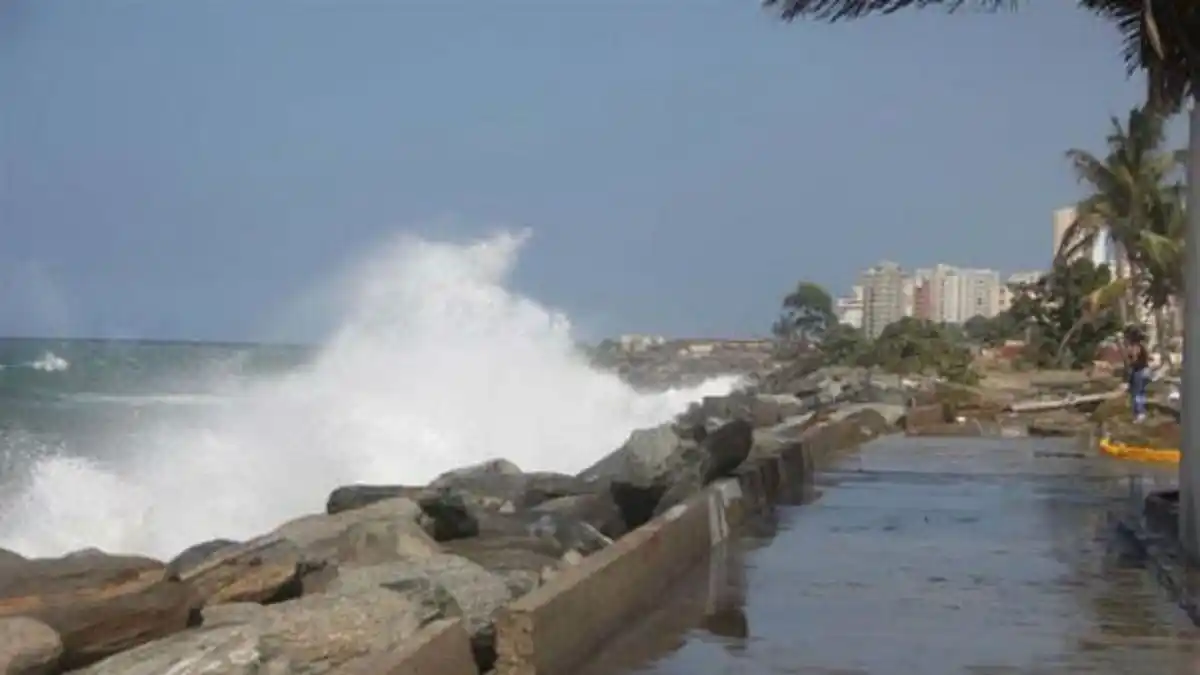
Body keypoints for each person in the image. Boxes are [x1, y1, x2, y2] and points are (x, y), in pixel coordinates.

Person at [1124, 325, 1150, 423]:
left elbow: (1134, 360)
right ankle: (1137, 413)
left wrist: (1132, 356)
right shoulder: (1139, 346)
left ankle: (1140, 413)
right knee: (1136, 393)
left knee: (1138, 393)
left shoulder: (1137, 347)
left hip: (1139, 371)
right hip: (1139, 371)